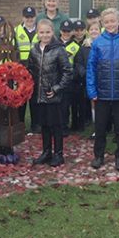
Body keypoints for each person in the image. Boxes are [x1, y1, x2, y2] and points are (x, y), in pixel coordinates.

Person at [86, 8, 119, 170]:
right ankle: (98, 156)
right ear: (102, 23)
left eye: (112, 21)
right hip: (101, 94)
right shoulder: (98, 42)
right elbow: (91, 68)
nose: (110, 24)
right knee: (100, 127)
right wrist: (92, 91)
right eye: (106, 22)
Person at [29, 19, 72, 167]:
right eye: (41, 32)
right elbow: (30, 70)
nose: (45, 35)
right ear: (37, 33)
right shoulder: (34, 49)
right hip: (39, 95)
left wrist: (57, 88)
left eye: (47, 32)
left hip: (54, 95)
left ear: (52, 32)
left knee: (56, 125)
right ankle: (46, 151)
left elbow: (68, 71)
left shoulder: (59, 49)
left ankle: (58, 153)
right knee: (45, 125)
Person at [15, 6, 41, 132]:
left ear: (35, 17)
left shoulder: (41, 30)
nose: (29, 19)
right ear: (23, 17)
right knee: (21, 97)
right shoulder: (16, 31)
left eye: (31, 17)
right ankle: (20, 124)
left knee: (35, 98)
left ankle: (36, 125)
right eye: (27, 17)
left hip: (37, 68)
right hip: (21, 69)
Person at [75, 22, 102, 137]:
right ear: (88, 32)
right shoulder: (84, 48)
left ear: (100, 31)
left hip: (102, 79)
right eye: (91, 29)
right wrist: (85, 73)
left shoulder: (104, 45)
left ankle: (104, 126)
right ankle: (95, 126)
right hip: (89, 80)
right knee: (93, 103)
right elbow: (78, 62)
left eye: (96, 29)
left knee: (102, 104)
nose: (94, 31)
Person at [59, 19, 80, 137]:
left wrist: (73, 75)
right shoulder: (54, 44)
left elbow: (77, 64)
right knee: (58, 105)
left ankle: (65, 126)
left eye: (68, 31)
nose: (66, 33)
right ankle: (57, 125)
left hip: (70, 80)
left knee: (66, 105)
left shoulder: (76, 46)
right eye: (64, 31)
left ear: (72, 32)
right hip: (57, 79)